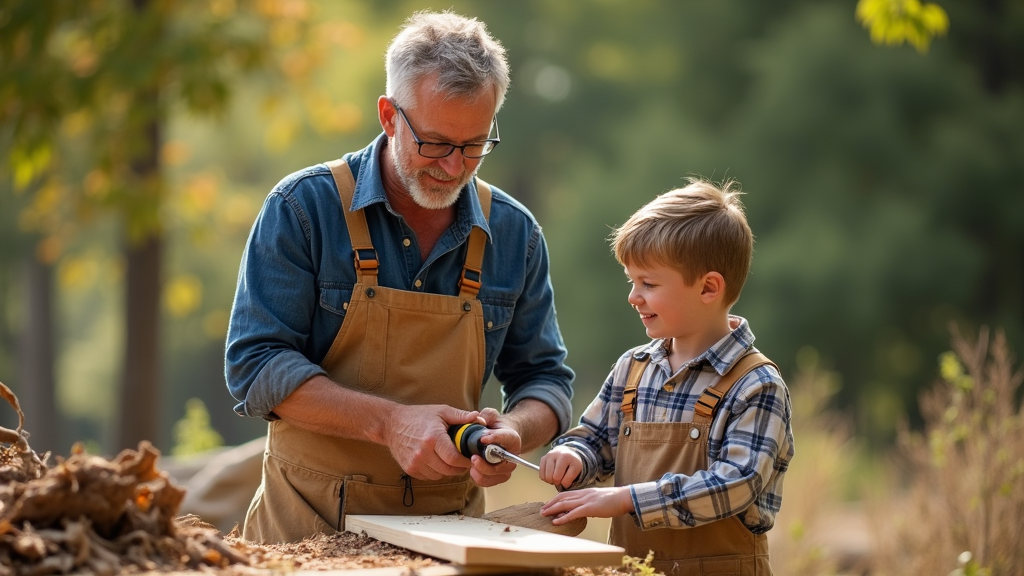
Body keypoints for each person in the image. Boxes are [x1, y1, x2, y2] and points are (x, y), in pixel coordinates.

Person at [225, 11, 574, 544]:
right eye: (434, 144)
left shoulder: (515, 234)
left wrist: (515, 432)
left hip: (448, 534)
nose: (454, 167)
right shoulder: (302, 209)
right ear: (389, 116)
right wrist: (389, 423)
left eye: (474, 145)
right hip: (303, 529)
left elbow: (546, 380)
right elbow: (254, 366)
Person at [538, 179, 794, 575]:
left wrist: (628, 500)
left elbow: (735, 483)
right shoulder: (632, 368)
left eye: (649, 284)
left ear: (709, 287)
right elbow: (595, 439)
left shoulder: (756, 385)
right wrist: (573, 456)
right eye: (631, 281)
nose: (633, 296)